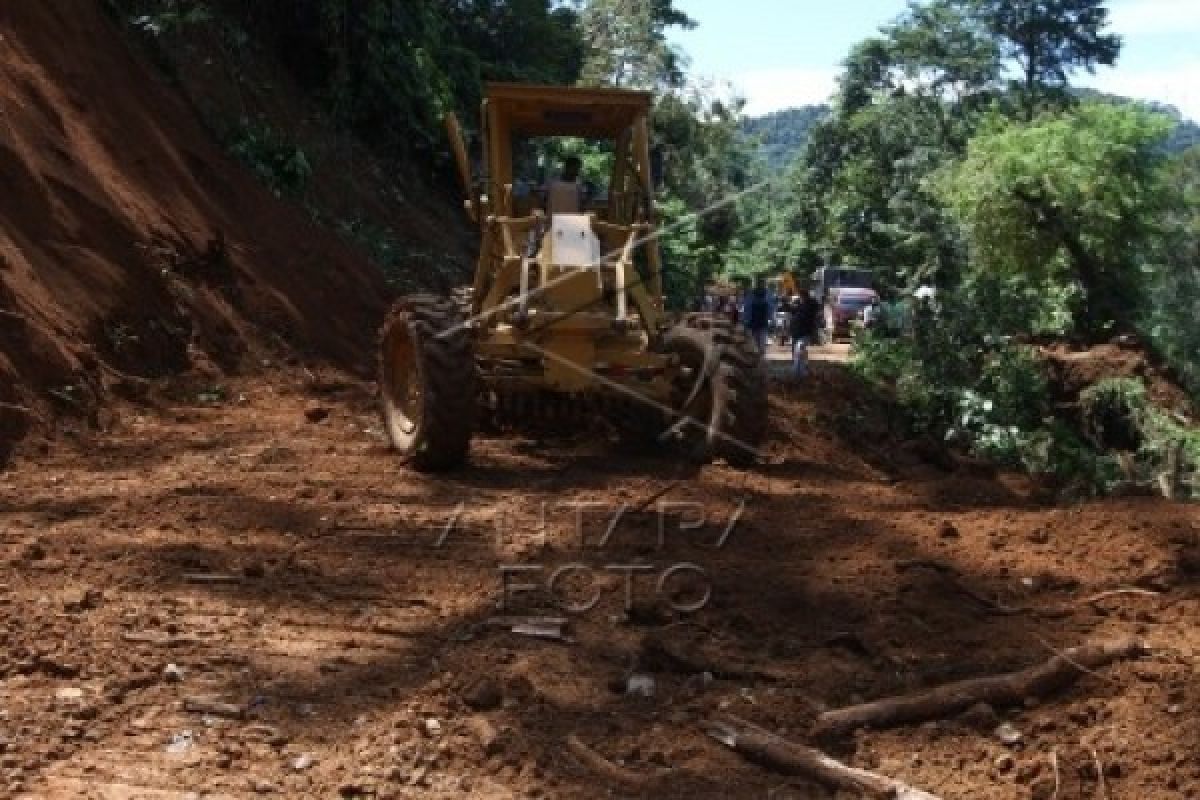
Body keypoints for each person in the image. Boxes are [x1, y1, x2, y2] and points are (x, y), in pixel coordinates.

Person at [788, 287, 822, 380]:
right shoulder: (801, 305)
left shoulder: (809, 305)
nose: (799, 297)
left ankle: (797, 372)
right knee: (798, 352)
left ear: (803, 296)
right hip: (797, 332)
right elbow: (791, 310)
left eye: (800, 296)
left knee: (799, 351)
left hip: (804, 332)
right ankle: (801, 372)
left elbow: (815, 311)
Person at [744, 284, 771, 354]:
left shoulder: (751, 302)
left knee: (755, 345)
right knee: (762, 345)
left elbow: (747, 314)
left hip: (753, 325)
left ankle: (757, 359)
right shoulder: (766, 303)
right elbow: (769, 314)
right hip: (763, 325)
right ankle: (761, 358)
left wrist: (746, 324)